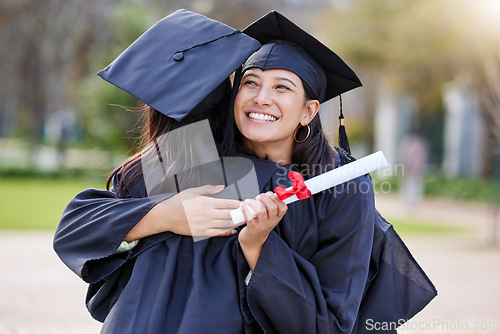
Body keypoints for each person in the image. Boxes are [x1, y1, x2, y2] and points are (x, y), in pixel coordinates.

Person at [54, 9, 436, 334]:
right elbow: (77, 227)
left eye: (282, 87)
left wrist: (259, 247)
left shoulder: (338, 189)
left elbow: (328, 325)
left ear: (309, 111)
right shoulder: (190, 161)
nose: (261, 98)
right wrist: (165, 214)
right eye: (250, 82)